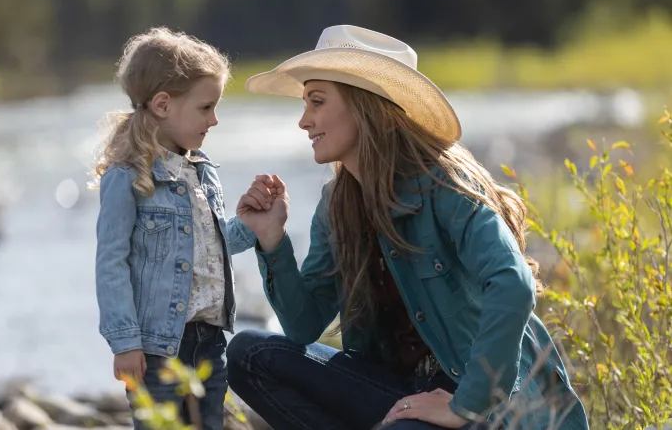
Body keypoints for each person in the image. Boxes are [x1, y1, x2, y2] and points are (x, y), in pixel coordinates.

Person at [228, 25, 590, 430]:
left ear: (365, 106)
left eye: (316, 102)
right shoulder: (337, 203)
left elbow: (513, 282)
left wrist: (465, 405)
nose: (303, 121)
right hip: (398, 393)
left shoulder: (445, 187)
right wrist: (273, 241)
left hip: (480, 404)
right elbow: (303, 325)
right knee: (248, 354)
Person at [92, 26, 256, 430]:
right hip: (157, 347)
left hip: (209, 341)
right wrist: (125, 343)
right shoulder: (127, 177)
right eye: (206, 107)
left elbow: (207, 249)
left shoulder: (203, 171)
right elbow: (111, 263)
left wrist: (251, 222)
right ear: (163, 104)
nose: (214, 120)